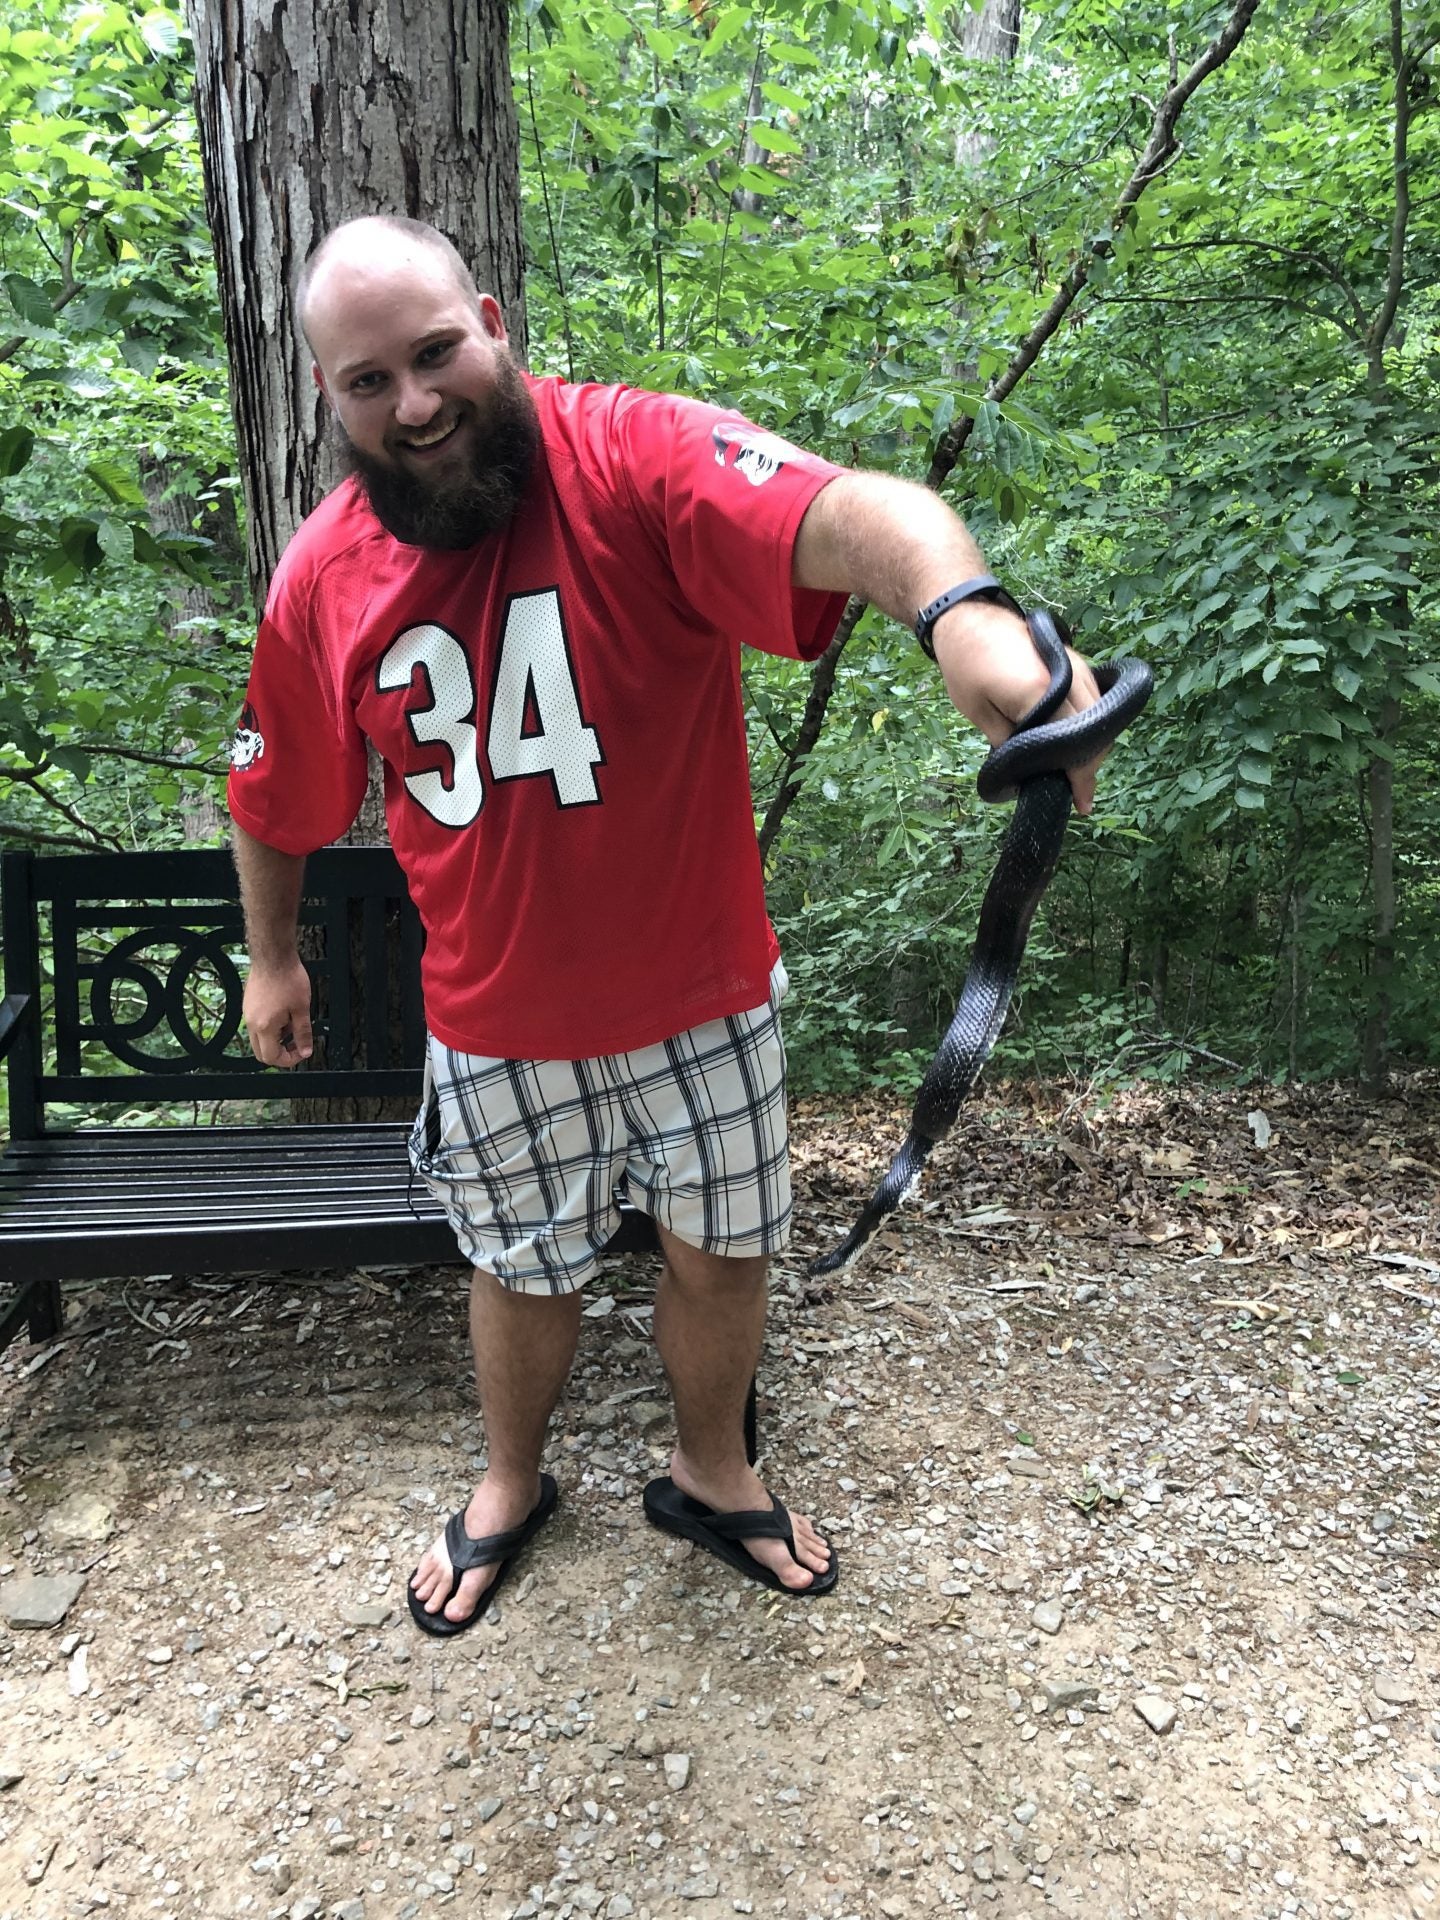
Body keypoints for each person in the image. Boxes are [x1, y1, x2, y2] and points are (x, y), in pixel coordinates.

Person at [228, 215, 1103, 1636]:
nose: (417, 401)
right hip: (495, 1017)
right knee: (518, 1270)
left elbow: (850, 515)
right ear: (327, 398)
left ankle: (715, 1468)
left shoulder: (629, 458)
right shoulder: (322, 579)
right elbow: (272, 794)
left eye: (437, 352)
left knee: (724, 1248)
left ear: (493, 322)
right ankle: (512, 1479)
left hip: (702, 993)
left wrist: (969, 623)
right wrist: (276, 956)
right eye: (367, 381)